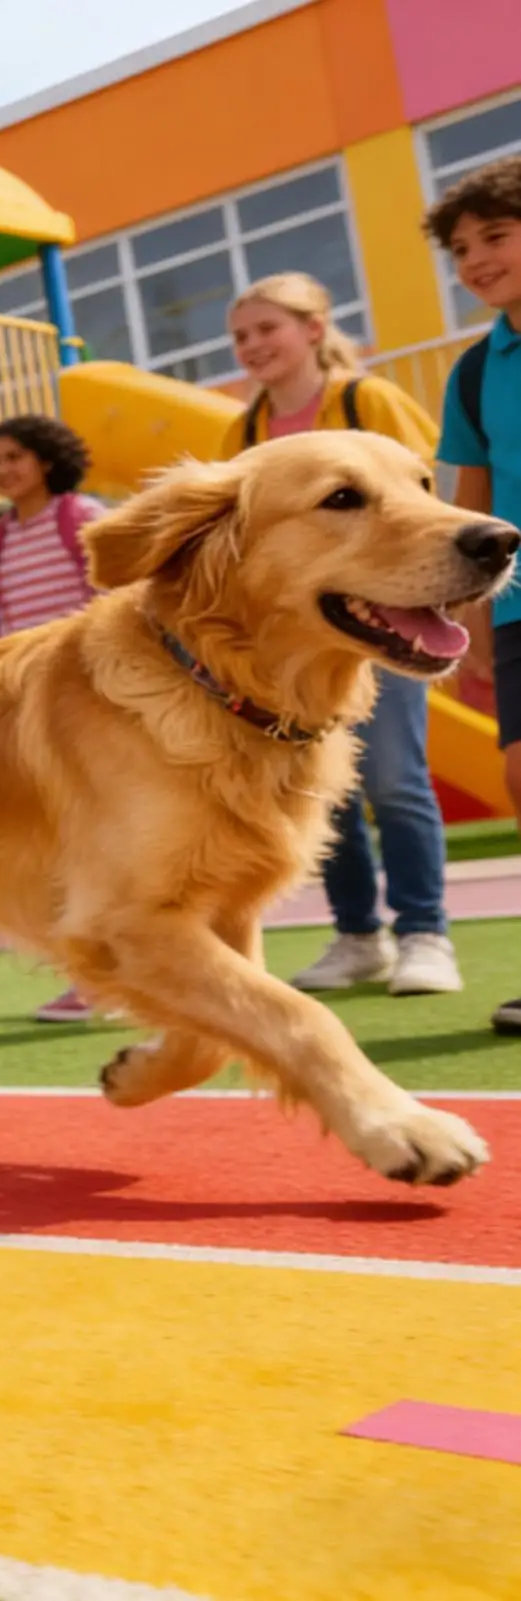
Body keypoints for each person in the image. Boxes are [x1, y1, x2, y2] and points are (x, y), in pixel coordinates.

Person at [222, 273, 462, 997]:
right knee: (315, 788)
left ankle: (424, 932)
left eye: (267, 328)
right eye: (240, 336)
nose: (252, 346)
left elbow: (432, 497)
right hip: (307, 632)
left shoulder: (367, 402)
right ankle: (356, 933)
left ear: (314, 329)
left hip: (395, 613)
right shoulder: (243, 430)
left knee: (394, 780)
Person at [0, 414, 105, 1022]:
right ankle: (88, 977)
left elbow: (117, 597)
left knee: (96, 836)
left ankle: (110, 972)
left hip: (89, 698)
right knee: (53, 840)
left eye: (15, 456)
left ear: (46, 459)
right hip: (26, 703)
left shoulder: (81, 517)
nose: (3, 470)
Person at [424, 156, 521, 1035]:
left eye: (495, 236)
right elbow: (473, 503)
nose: (476, 259)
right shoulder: (471, 371)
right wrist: (470, 615)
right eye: (460, 249)